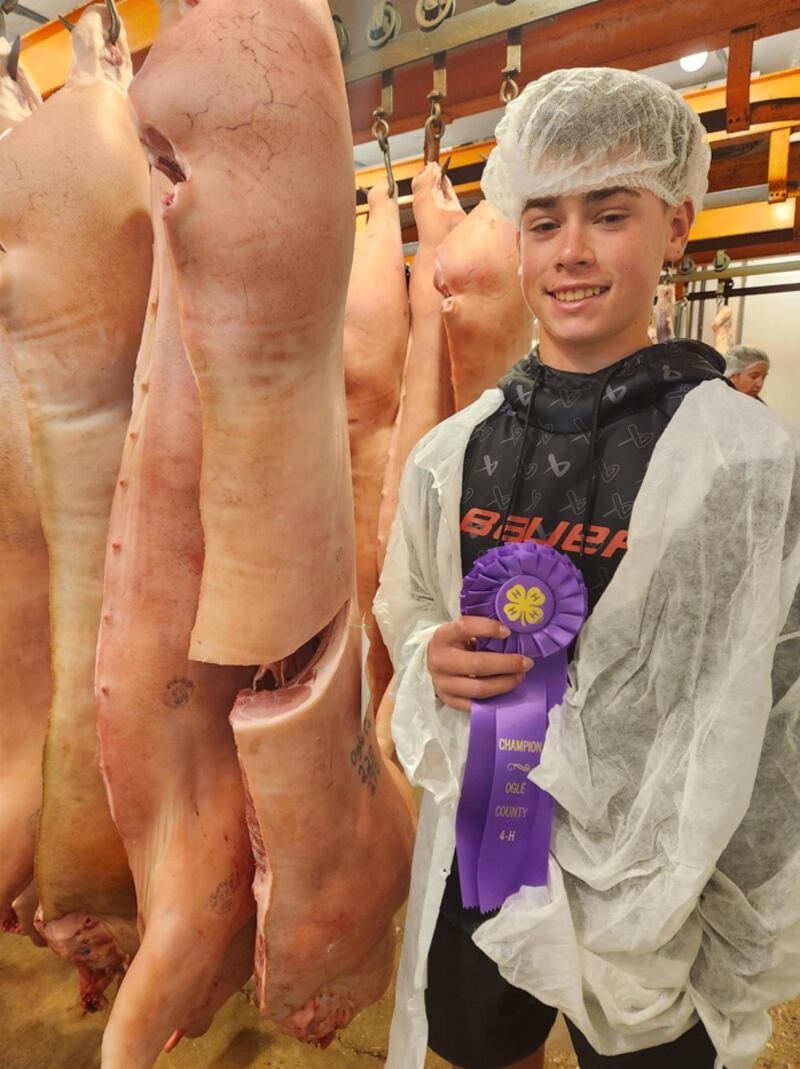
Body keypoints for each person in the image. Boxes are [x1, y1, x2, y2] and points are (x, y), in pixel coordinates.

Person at [375, 67, 800, 1069]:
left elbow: (781, 697)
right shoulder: (450, 451)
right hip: (492, 840)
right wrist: (428, 650)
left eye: (608, 215)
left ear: (677, 225)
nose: (569, 251)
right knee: (481, 1049)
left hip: (661, 881)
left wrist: (751, 911)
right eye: (542, 220)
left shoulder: (744, 462)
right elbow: (408, 609)